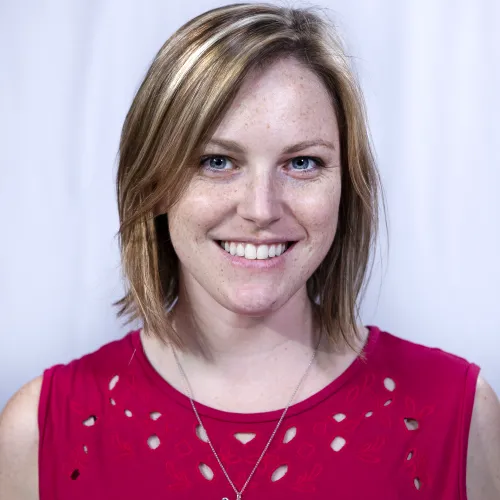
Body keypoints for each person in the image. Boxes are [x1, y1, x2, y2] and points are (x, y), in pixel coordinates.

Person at [1, 3, 499, 499]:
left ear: (347, 186)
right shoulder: (40, 431)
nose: (261, 208)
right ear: (152, 183)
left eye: (302, 162)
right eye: (217, 161)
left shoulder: (459, 413)